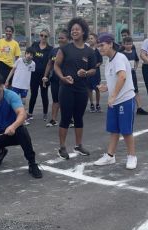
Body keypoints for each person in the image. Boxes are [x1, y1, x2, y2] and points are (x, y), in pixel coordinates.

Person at [54, 17, 97, 159]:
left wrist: (86, 73)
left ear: (83, 31)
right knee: (66, 117)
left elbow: (93, 70)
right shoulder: (64, 49)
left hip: (81, 89)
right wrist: (62, 77)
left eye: (77, 29)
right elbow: (56, 65)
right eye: (72, 29)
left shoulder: (89, 51)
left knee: (79, 117)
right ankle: (62, 147)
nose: (74, 31)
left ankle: (78, 146)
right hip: (66, 89)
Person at [93, 33, 137, 170]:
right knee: (113, 130)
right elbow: (115, 80)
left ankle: (132, 156)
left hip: (125, 100)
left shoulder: (119, 58)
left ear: (110, 44)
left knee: (126, 131)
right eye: (98, 46)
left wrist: (113, 96)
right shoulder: (108, 61)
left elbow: (122, 77)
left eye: (102, 45)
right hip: (115, 101)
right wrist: (106, 88)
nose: (100, 48)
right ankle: (110, 156)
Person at [43, 29, 70, 127]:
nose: (60, 40)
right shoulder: (54, 51)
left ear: (67, 39)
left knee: (67, 100)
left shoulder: (71, 51)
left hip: (66, 80)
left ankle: (69, 119)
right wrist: (45, 76)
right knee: (55, 100)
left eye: (62, 38)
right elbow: (49, 64)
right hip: (54, 79)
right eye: (59, 38)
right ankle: (53, 120)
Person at [5, 47, 36, 125]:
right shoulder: (19, 60)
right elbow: (12, 70)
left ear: (33, 56)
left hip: (25, 86)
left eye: (31, 55)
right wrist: (7, 80)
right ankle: (10, 118)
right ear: (25, 53)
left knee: (23, 103)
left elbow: (30, 74)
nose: (29, 55)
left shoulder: (33, 64)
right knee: (12, 101)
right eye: (28, 53)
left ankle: (22, 119)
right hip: (15, 84)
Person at [27, 29, 53, 121]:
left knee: (44, 94)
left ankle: (45, 113)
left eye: (45, 36)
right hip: (33, 75)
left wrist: (46, 76)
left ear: (48, 37)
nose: (43, 38)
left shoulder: (50, 49)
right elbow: (28, 56)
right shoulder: (34, 45)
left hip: (44, 76)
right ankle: (30, 113)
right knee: (33, 94)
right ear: (39, 36)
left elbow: (50, 63)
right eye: (41, 35)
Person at [121, 36, 148, 115]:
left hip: (132, 74)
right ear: (123, 45)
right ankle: (125, 108)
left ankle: (139, 107)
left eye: (130, 44)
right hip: (125, 75)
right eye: (127, 44)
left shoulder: (133, 52)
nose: (128, 46)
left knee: (135, 90)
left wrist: (135, 68)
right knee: (124, 91)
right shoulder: (121, 54)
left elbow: (137, 60)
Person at [86, 33, 103, 113]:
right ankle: (92, 104)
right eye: (89, 38)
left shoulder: (98, 50)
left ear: (96, 40)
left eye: (92, 38)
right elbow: (84, 60)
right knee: (89, 88)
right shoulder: (86, 50)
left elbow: (100, 61)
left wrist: (94, 66)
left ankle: (98, 104)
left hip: (96, 72)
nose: (90, 40)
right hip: (88, 72)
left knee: (97, 88)